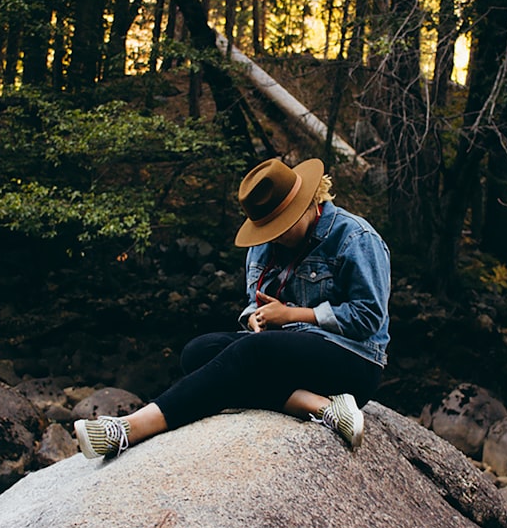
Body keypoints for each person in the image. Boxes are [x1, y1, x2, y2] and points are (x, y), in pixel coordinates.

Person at [74, 157, 391, 458]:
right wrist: (256, 318)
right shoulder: (265, 244)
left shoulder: (355, 237)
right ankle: (320, 407)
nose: (276, 237)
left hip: (352, 360)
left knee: (251, 354)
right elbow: (256, 302)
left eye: (283, 226)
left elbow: (368, 317)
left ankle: (129, 429)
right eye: (270, 229)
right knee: (197, 352)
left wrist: (294, 315)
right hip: (286, 352)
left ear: (308, 203)